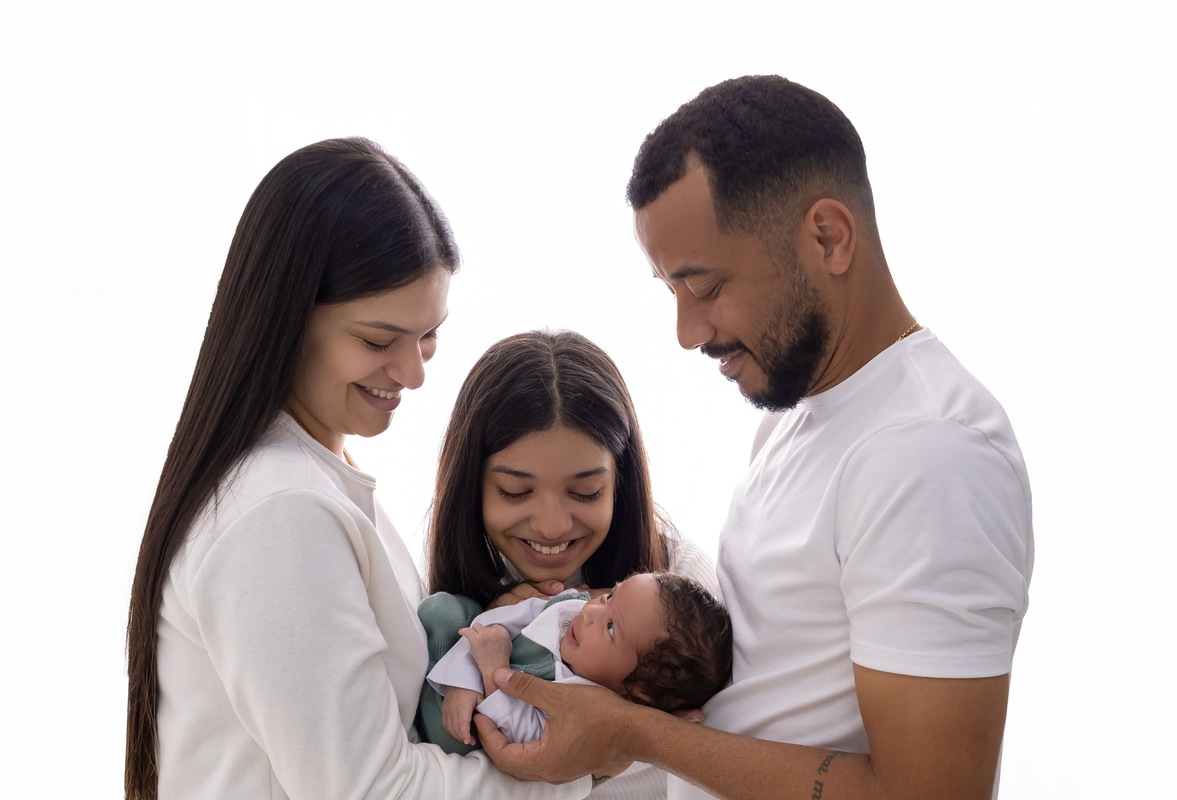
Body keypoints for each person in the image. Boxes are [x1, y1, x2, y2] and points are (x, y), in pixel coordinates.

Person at [473, 76, 1035, 800]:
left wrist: (629, 732)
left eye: (703, 288)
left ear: (828, 238)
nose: (686, 333)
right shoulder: (796, 420)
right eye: (670, 291)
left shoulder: (928, 454)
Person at [124, 138, 592, 800]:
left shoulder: (312, 482)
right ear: (286, 318)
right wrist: (589, 767)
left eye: (429, 336)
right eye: (379, 341)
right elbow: (371, 790)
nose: (414, 373)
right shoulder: (279, 512)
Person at [422, 328, 721, 796]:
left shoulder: (682, 584)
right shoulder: (450, 601)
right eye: (515, 491)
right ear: (471, 486)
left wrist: (605, 752)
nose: (552, 527)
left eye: (586, 492)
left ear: (619, 483)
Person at [420, 572, 732, 754]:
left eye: (611, 628)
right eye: (610, 597)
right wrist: (463, 680)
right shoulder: (569, 608)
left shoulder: (585, 709)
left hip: (455, 735)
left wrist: (493, 670)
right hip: (452, 665)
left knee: (454, 742)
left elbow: (520, 736)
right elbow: (494, 623)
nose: (591, 611)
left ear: (635, 693)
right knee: (442, 609)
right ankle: (424, 669)